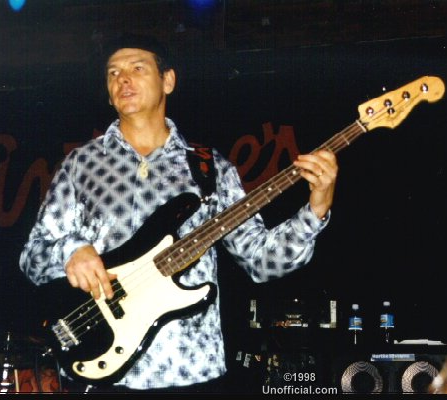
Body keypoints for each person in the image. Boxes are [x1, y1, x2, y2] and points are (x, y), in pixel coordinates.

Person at [19, 33, 338, 393]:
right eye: (113, 73)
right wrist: (70, 251)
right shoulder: (79, 166)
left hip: (189, 367)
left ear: (167, 80)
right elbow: (32, 259)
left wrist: (316, 206)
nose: (122, 79)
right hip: (103, 370)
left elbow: (261, 260)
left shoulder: (209, 167)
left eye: (137, 68)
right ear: (108, 94)